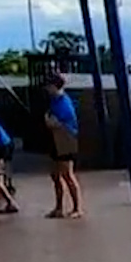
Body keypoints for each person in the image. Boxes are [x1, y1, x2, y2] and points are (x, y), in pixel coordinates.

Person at [43, 74, 84, 218]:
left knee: (67, 174)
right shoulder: (54, 101)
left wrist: (51, 121)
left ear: (55, 86)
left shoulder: (64, 102)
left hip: (66, 139)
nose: (47, 89)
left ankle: (77, 208)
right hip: (55, 138)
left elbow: (58, 121)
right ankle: (59, 207)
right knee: (55, 175)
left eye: (49, 86)